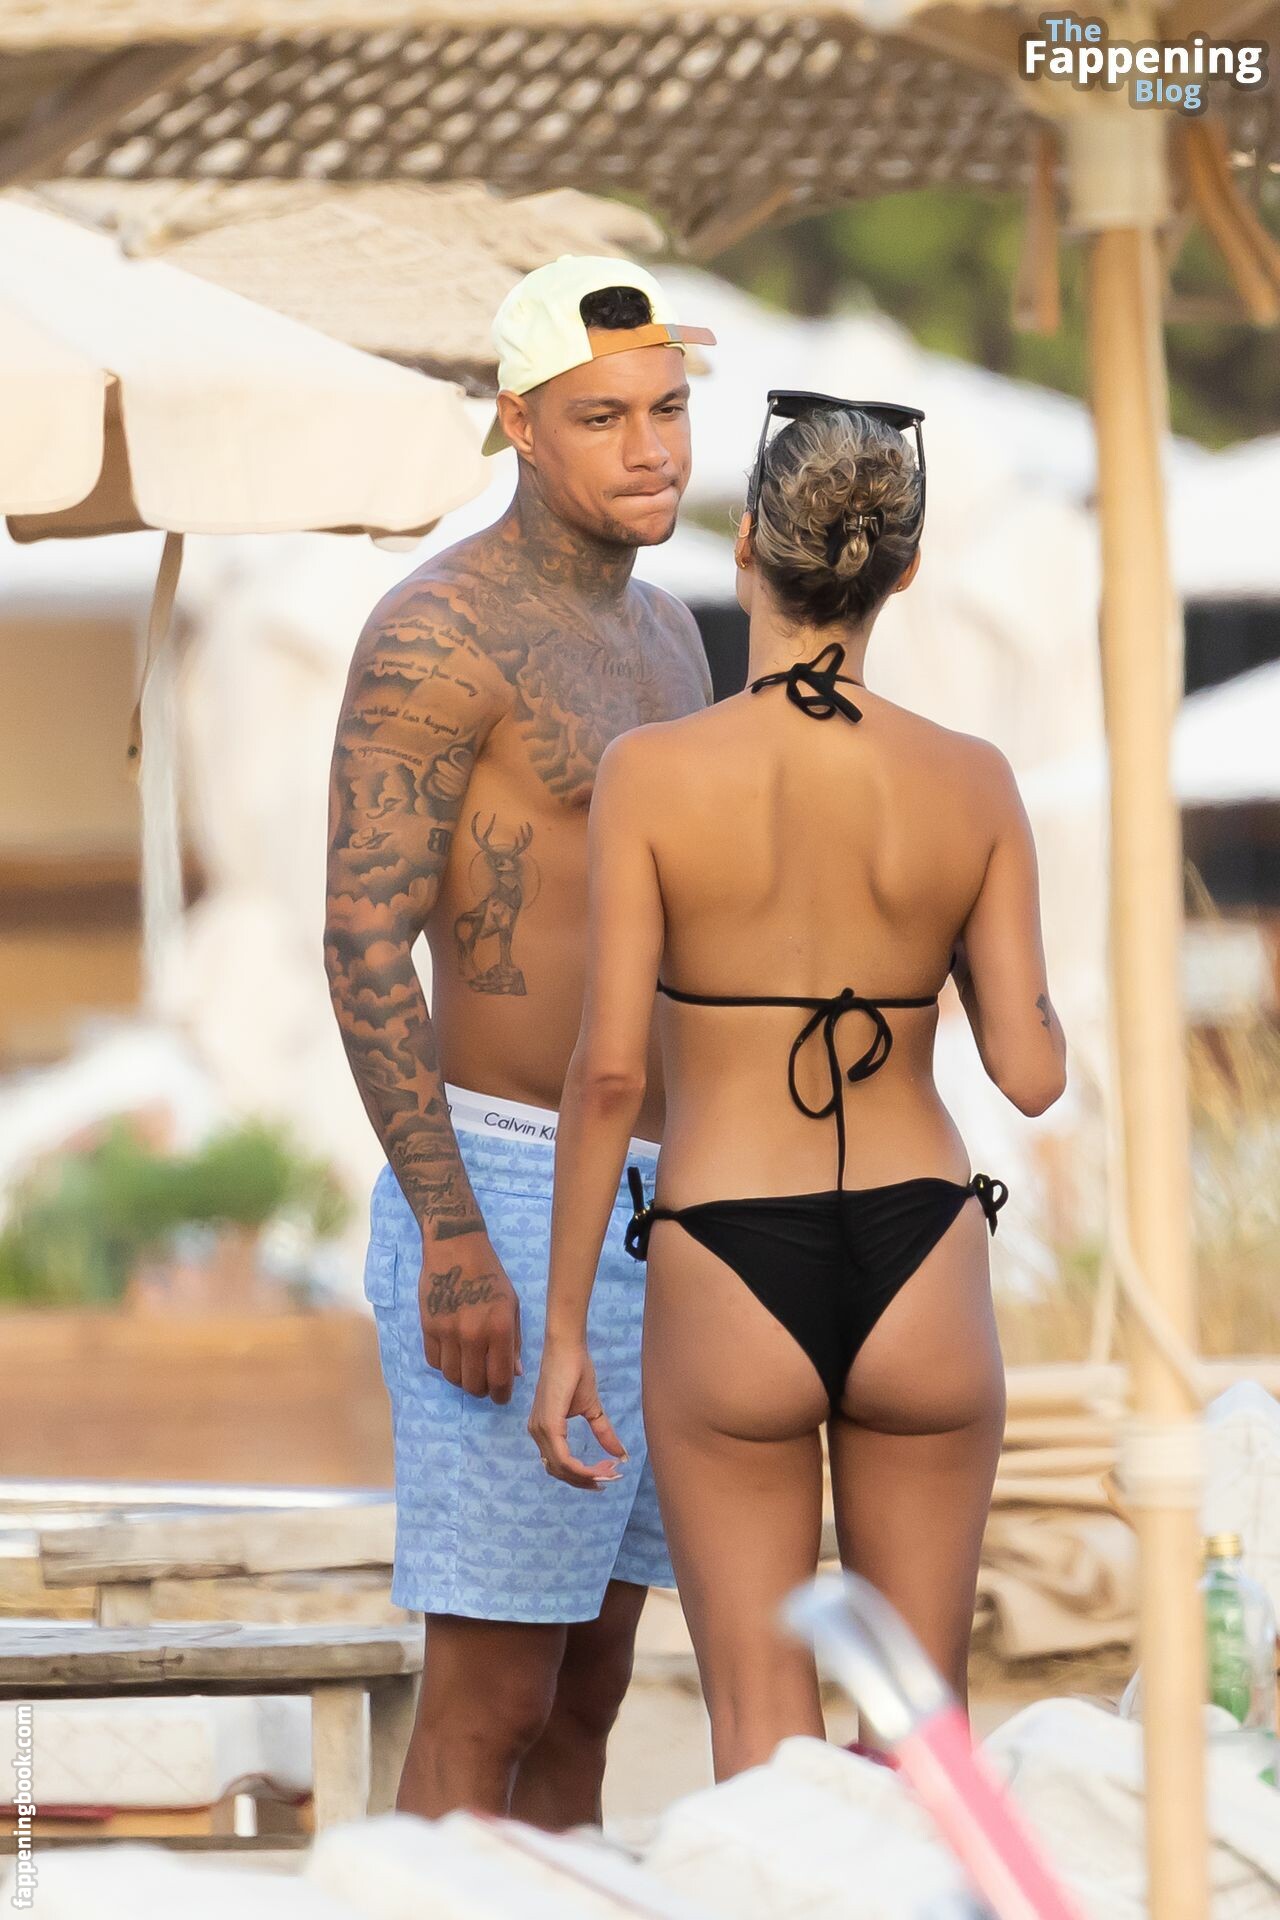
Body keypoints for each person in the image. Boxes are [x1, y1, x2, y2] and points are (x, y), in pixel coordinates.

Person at [529, 391, 1068, 1781]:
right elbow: (1031, 1072)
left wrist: (569, 1325)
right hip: (921, 1245)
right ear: (905, 568)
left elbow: (608, 1071)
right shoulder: (973, 780)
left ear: (746, 548)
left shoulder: (653, 774)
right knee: (923, 1726)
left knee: (764, 1737)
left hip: (727, 1249)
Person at [324, 255, 717, 1825]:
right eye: (603, 417)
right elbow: (364, 940)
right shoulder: (438, 634)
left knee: (593, 1695)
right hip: (500, 1181)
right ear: (520, 426)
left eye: (669, 409)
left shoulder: (674, 638)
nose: (651, 448)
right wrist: (451, 1237)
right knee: (491, 1698)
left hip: (665, 1200)